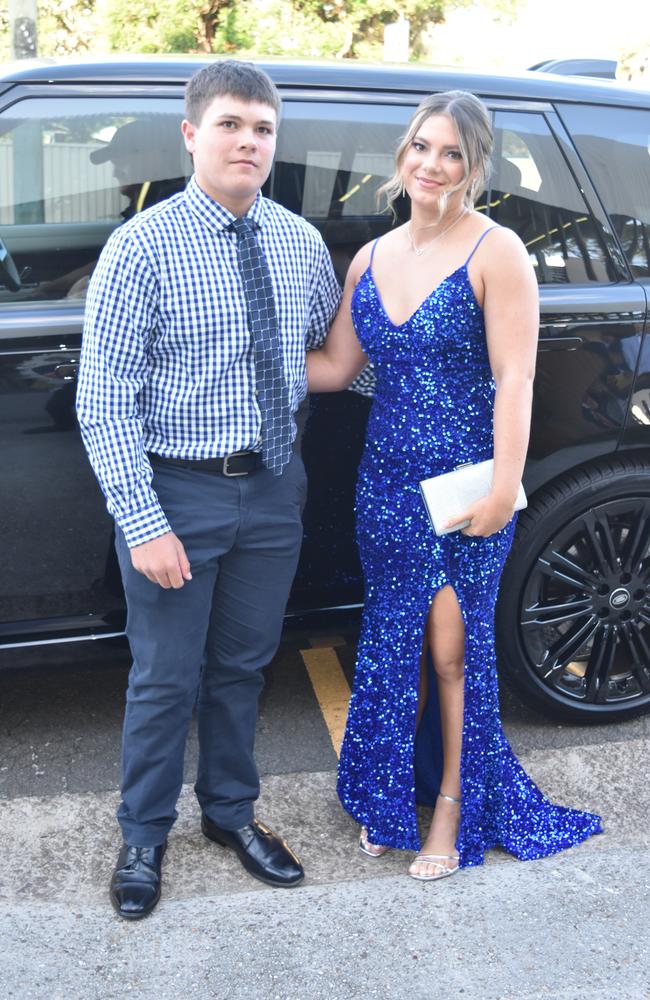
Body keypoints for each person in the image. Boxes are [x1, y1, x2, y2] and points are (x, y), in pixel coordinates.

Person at [307, 90, 603, 880]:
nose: (432, 166)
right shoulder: (371, 258)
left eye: (453, 154)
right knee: (392, 644)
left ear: (474, 168)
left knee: (450, 655)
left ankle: (452, 811)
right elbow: (336, 368)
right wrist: (232, 361)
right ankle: (387, 796)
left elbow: (516, 377)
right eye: (422, 148)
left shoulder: (495, 249)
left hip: (465, 486)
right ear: (401, 155)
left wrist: (506, 485)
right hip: (386, 487)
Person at [76, 61, 341, 918]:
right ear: (192, 134)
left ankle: (230, 813)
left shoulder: (301, 244)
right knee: (164, 677)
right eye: (231, 125)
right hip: (176, 495)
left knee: (242, 667)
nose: (249, 142)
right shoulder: (141, 247)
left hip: (271, 491)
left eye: (263, 129)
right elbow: (103, 398)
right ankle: (143, 834)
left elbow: (328, 359)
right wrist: (143, 520)